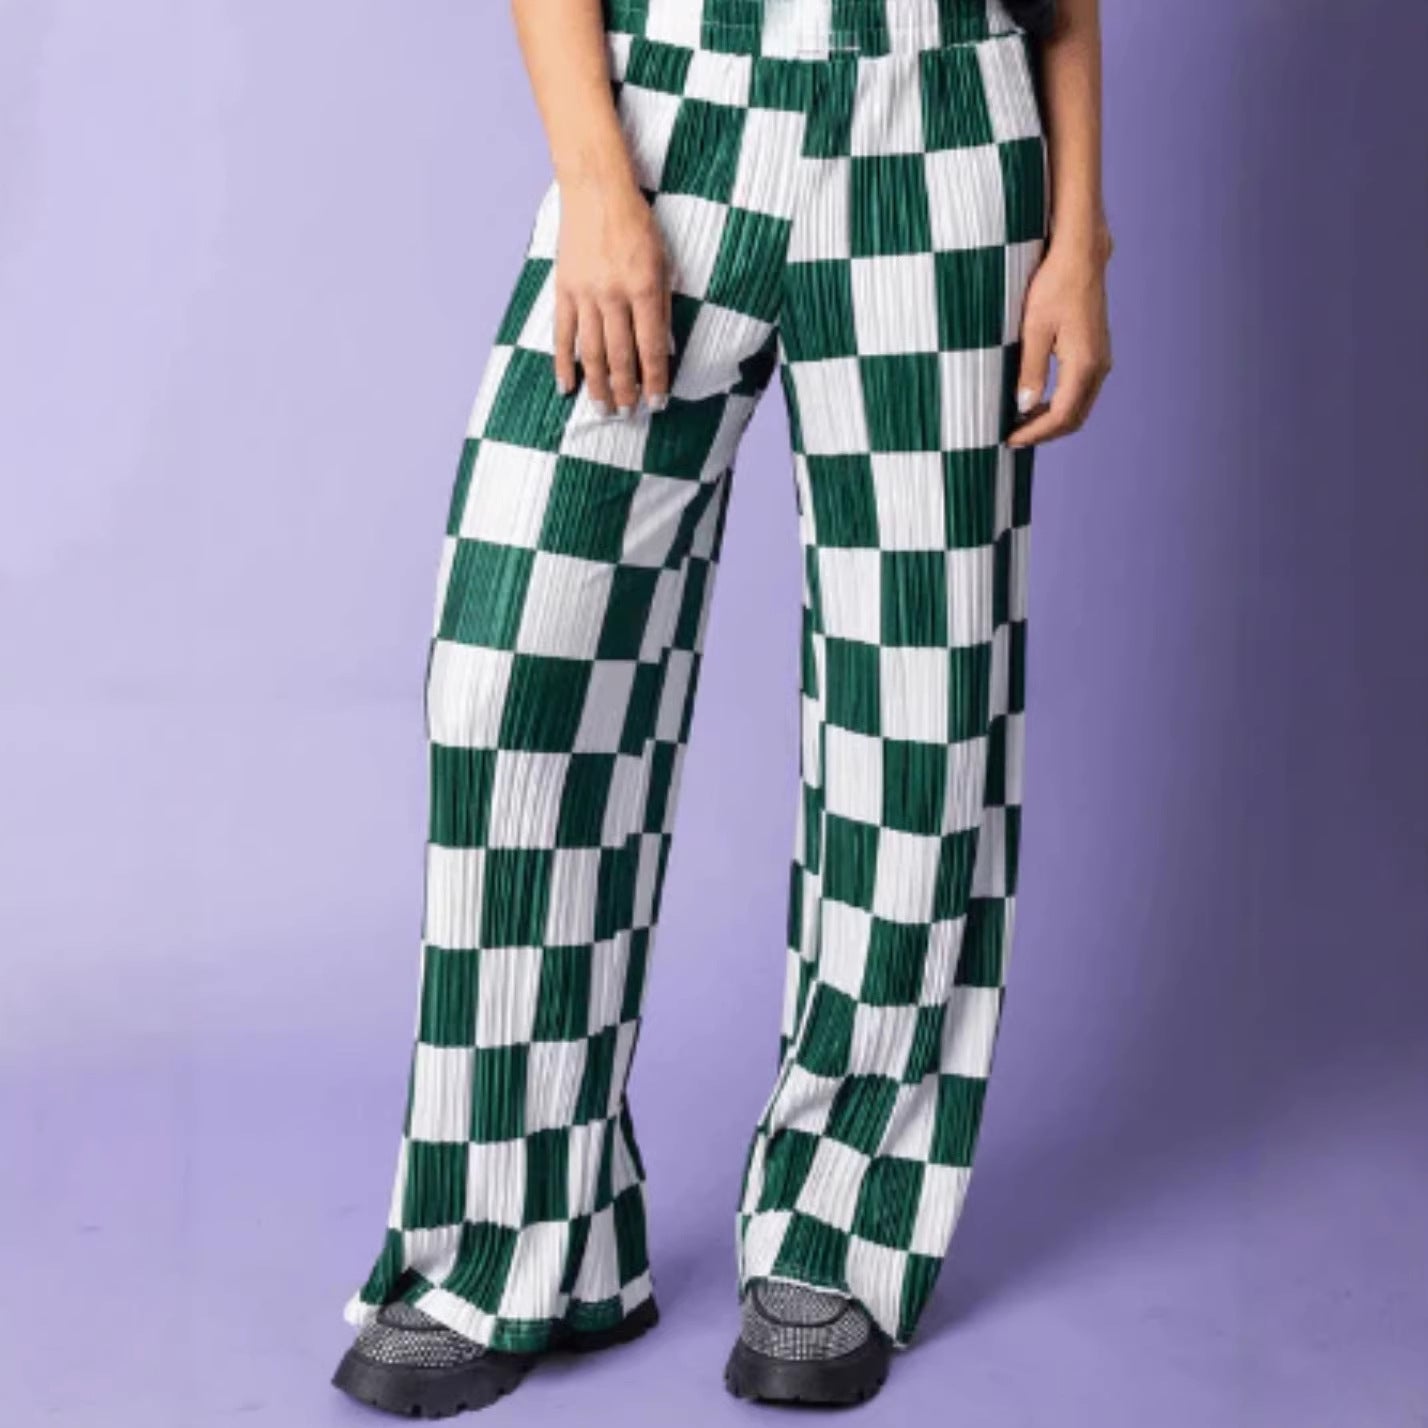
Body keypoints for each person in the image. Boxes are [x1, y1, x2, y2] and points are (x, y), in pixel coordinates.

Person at [331, 0, 1112, 1415]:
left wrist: (1079, 235)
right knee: (515, 672)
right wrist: (595, 181)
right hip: (676, 115)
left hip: (941, 121)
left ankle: (836, 1228)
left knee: (920, 709)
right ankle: (513, 1236)